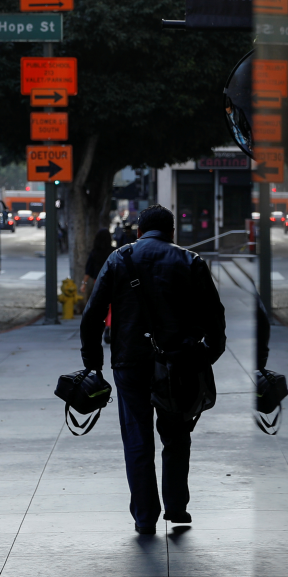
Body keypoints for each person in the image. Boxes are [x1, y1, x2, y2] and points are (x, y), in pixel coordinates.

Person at [80, 205, 226, 534]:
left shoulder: (119, 259)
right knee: (176, 436)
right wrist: (206, 356)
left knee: (137, 440)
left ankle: (144, 518)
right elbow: (214, 317)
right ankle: (176, 507)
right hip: (178, 365)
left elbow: (91, 317)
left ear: (138, 232)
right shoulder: (190, 262)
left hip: (130, 364)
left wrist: (93, 367)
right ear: (172, 232)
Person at [82, 228, 114, 296]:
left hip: (98, 283)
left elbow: (88, 270)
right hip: (113, 282)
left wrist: (84, 284)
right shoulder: (114, 252)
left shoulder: (94, 253)